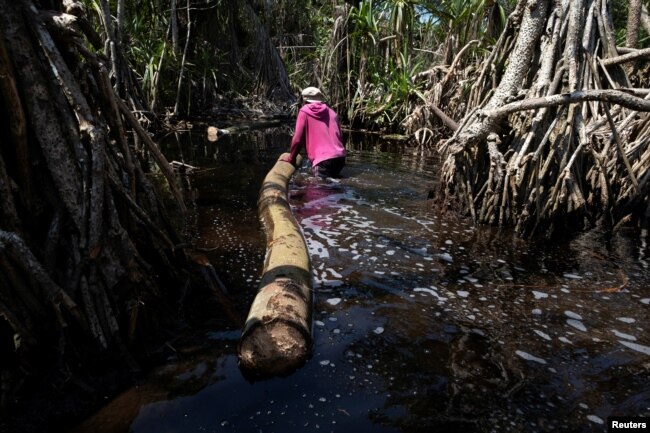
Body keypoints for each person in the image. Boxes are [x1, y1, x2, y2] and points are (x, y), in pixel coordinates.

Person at [281, 87, 346, 177]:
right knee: (333, 185)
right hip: (340, 158)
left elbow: (298, 139)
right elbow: (340, 137)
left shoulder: (304, 111)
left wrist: (291, 158)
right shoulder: (332, 112)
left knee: (319, 188)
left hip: (322, 160)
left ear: (304, 100)